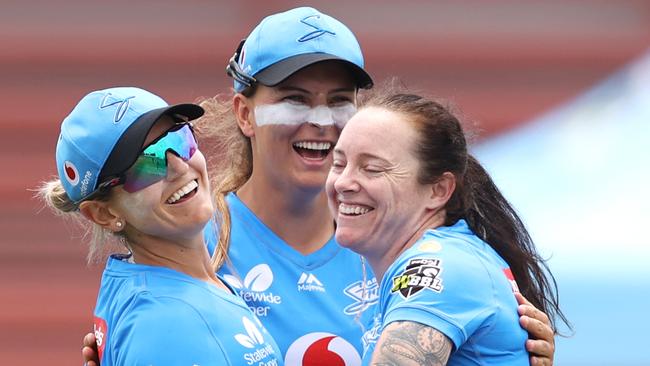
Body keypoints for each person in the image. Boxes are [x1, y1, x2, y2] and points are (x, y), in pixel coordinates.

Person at [82, 7, 557, 365]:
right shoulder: (189, 235)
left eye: (338, 102)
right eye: (294, 100)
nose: (321, 122)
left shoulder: (392, 240)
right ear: (244, 113)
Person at [41, 87, 282, 365]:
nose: (180, 167)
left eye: (180, 138)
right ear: (104, 213)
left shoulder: (183, 289)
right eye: (147, 163)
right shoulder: (164, 326)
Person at [326, 92, 570, 365]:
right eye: (338, 164)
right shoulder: (445, 257)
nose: (343, 182)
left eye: (371, 168)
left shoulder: (438, 266)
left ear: (438, 190)